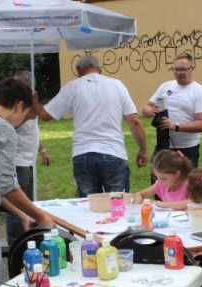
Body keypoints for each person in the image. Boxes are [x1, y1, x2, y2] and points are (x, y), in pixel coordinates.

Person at [33, 55, 147, 197]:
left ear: (79, 70)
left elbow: (45, 116)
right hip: (114, 151)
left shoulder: (72, 87)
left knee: (88, 206)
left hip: (83, 153)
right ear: (99, 69)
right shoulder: (117, 85)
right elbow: (135, 121)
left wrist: (33, 99)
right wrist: (143, 150)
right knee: (118, 205)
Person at [0, 78, 53, 287]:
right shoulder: (4, 130)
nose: (23, 122)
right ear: (19, 105)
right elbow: (7, 184)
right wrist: (40, 216)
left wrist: (23, 214)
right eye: (25, 116)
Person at [6, 70, 51, 245]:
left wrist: (42, 150)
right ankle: (15, 244)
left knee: (29, 204)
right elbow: (11, 126)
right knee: (18, 205)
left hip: (29, 160)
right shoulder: (14, 104)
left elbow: (34, 130)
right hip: (17, 160)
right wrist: (28, 113)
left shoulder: (31, 103)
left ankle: (28, 239)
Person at [142, 53, 202, 167]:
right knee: (160, 182)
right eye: (176, 69)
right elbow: (147, 107)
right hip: (163, 145)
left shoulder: (199, 92)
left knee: (184, 184)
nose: (179, 73)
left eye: (183, 69)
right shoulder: (165, 86)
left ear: (192, 68)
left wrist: (175, 126)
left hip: (187, 148)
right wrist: (148, 111)